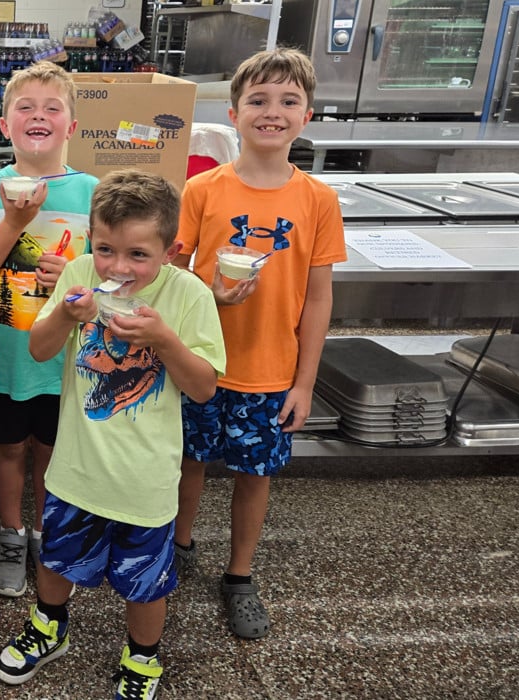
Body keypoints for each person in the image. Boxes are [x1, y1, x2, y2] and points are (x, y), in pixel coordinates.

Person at [0, 169, 225, 700]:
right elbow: (39, 349)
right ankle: (49, 625)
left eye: (138, 255)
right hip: (77, 467)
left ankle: (142, 655)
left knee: (145, 581)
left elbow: (205, 387)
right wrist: (70, 316)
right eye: (105, 249)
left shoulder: (188, 295)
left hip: (146, 477)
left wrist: (164, 339)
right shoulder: (78, 272)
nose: (118, 267)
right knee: (56, 558)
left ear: (171, 249)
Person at [173, 47, 347, 640]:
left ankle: (240, 575)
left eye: (288, 101)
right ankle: (179, 544)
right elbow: (176, 273)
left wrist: (304, 382)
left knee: (255, 474)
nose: (272, 112)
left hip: (272, 372)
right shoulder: (204, 189)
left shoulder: (318, 200)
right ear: (234, 112)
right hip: (202, 362)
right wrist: (211, 292)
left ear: (308, 115)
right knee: (188, 462)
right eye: (258, 100)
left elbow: (318, 298)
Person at [0, 61, 99, 598]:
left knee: (54, 451)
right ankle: (11, 532)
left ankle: (49, 532)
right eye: (25, 108)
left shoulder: (92, 191)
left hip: (67, 357)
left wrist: (77, 274)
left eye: (52, 108)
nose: (39, 116)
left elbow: (110, 278)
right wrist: (12, 224)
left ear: (72, 126)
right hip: (4, 351)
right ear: (6, 125)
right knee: (9, 448)